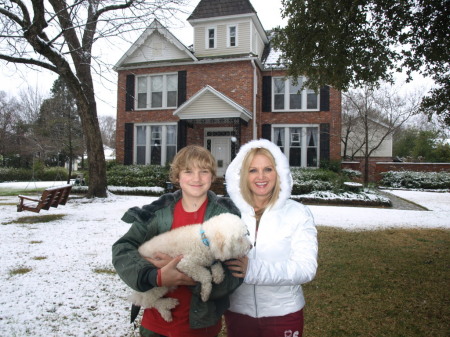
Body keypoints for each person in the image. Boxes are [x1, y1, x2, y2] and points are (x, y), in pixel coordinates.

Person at [112, 145, 242, 337]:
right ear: (177, 176)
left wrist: (189, 277)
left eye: (203, 171)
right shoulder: (156, 212)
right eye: (188, 171)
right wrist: (154, 276)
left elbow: (235, 272)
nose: (196, 178)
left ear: (212, 176)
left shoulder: (225, 216)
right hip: (156, 324)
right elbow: (123, 248)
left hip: (201, 325)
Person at [224, 139, 318, 337]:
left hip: (283, 314)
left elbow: (306, 268)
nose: (261, 177)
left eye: (268, 169)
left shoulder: (298, 213)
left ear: (280, 172)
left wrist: (252, 269)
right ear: (242, 175)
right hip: (238, 312)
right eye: (252, 170)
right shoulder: (229, 213)